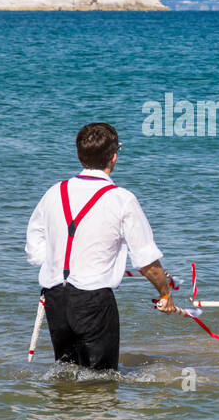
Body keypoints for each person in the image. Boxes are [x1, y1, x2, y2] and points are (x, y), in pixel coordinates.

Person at [25, 122, 177, 370]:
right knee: (102, 382)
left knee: (67, 375)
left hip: (55, 297)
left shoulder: (54, 192)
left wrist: (58, 262)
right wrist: (165, 293)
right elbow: (147, 262)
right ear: (114, 156)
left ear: (80, 154)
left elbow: (34, 245)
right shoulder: (122, 199)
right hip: (94, 300)